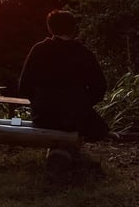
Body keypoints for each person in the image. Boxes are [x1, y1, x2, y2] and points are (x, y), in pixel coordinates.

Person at [17, 10, 109, 142]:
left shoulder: (39, 50)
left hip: (44, 116)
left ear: (50, 28)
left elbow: (24, 87)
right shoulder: (84, 53)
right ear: (73, 28)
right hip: (76, 117)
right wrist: (83, 103)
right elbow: (100, 86)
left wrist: (40, 101)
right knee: (100, 129)